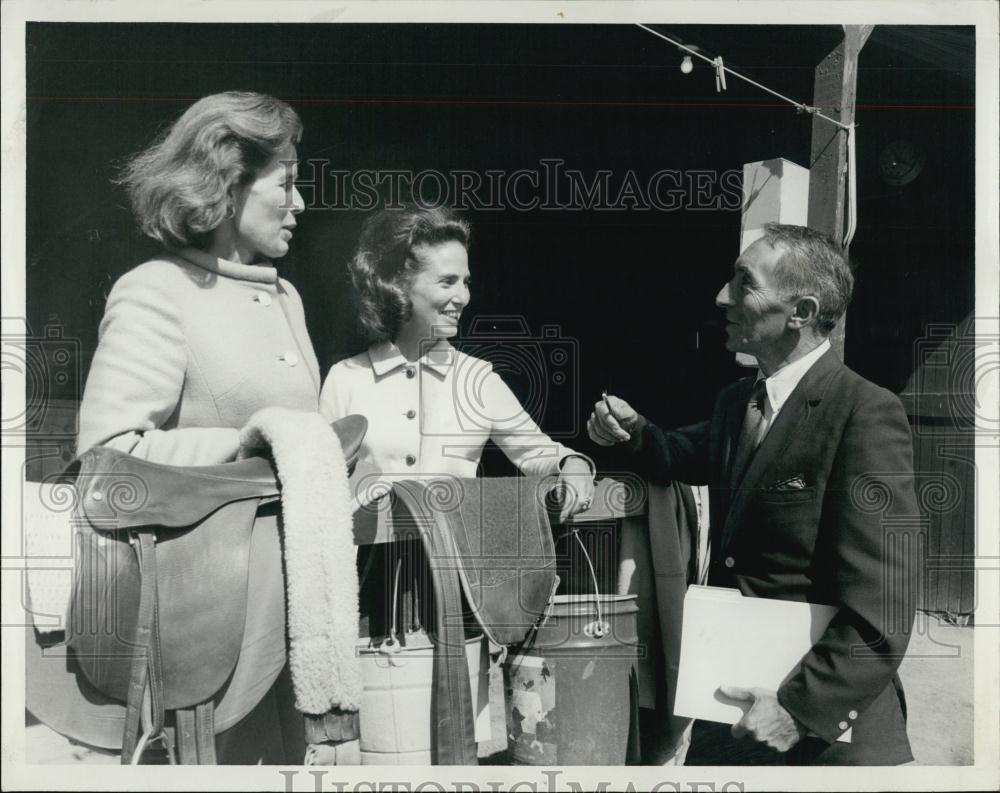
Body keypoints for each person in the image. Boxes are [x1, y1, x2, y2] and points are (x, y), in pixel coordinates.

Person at [28, 91, 321, 764]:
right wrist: (250, 443)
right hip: (215, 617)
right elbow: (108, 453)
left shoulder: (286, 297)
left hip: (298, 605)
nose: (301, 203)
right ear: (229, 180)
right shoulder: (155, 289)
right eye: (289, 182)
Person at [588, 224, 919, 766]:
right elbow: (677, 454)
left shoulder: (864, 413)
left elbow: (884, 606)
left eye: (745, 282)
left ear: (802, 312)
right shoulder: (737, 403)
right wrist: (635, 431)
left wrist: (798, 710)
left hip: (823, 734)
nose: (723, 296)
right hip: (735, 712)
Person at [319, 205, 596, 757]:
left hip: (461, 594)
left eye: (466, 280)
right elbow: (322, 486)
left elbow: (538, 452)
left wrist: (573, 465)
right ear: (397, 283)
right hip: (373, 594)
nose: (463, 294)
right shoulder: (345, 379)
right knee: (384, 746)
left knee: (457, 746)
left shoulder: (477, 378)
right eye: (446, 280)